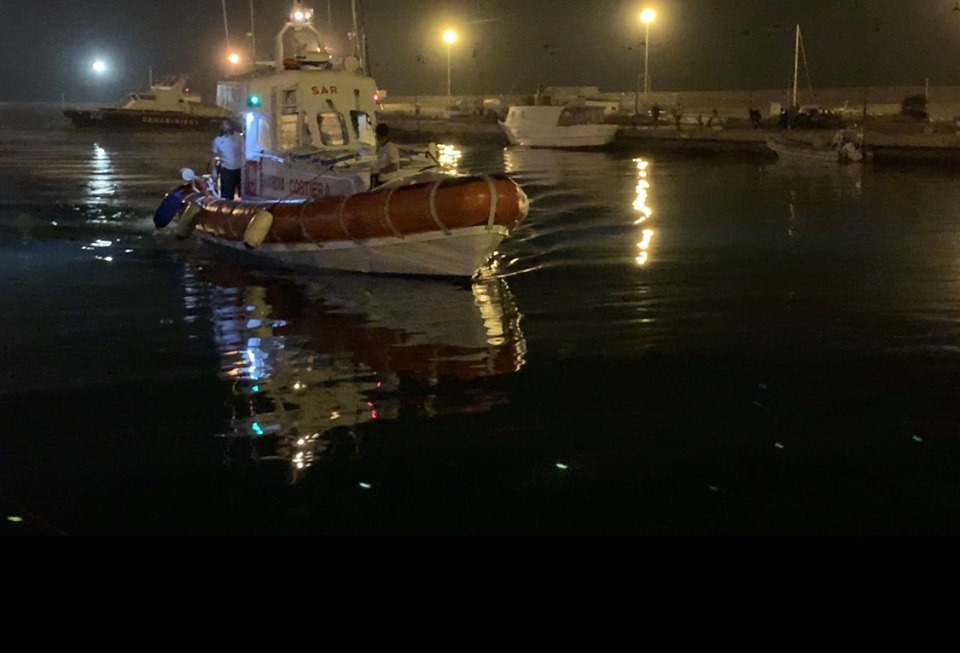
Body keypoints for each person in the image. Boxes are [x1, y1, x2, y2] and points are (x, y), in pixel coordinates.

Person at [211, 119, 245, 200]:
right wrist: (214, 170)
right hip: (226, 170)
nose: (225, 126)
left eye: (227, 124)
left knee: (243, 193)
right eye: (223, 125)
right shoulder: (218, 140)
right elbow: (213, 156)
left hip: (240, 169)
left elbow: (244, 151)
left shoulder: (239, 137)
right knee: (227, 194)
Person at [372, 123, 401, 188]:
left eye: (377, 135)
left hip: (388, 181)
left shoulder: (391, 148)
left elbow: (394, 166)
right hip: (380, 180)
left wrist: (381, 170)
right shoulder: (381, 147)